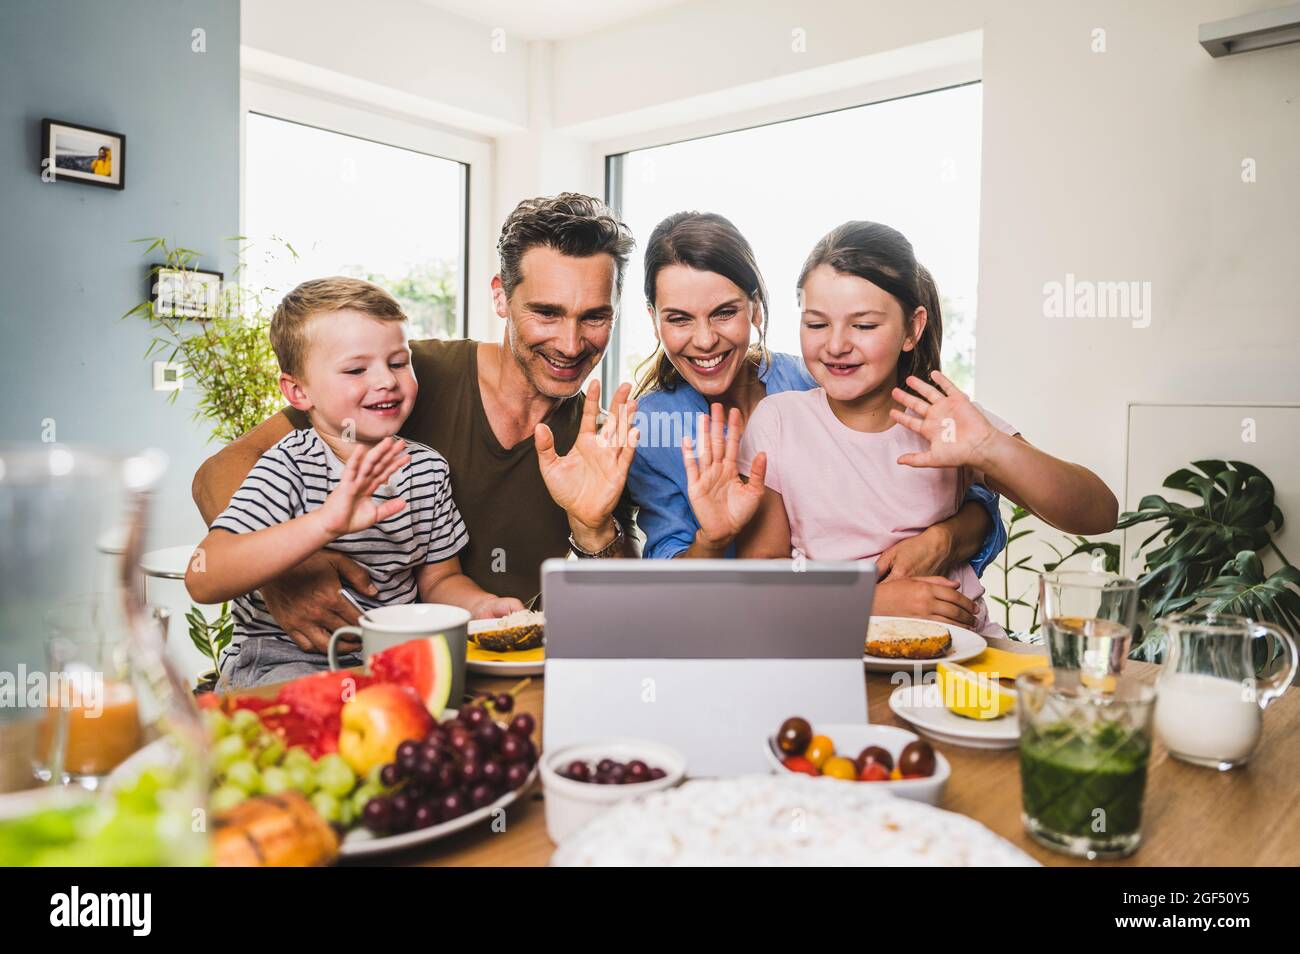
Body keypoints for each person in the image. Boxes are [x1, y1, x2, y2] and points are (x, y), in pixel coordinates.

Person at [192, 194, 641, 660]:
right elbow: (218, 474)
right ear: (500, 296)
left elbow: (624, 619)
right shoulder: (399, 379)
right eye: (547, 312)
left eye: (595, 316)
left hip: (462, 674)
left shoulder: (602, 445)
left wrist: (594, 529)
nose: (570, 344)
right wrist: (285, 571)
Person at [733, 221, 1118, 635]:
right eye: (816, 323)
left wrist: (989, 447)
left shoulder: (950, 420)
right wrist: (869, 602)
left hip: (962, 655)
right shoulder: (779, 422)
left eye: (863, 325)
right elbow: (763, 582)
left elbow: (1099, 513)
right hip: (840, 653)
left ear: (912, 329)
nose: (836, 344)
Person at [625, 211, 1004, 627]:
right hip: (745, 631)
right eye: (678, 318)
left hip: (887, 631)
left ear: (755, 308)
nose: (704, 339)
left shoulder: (820, 380)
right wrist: (711, 541)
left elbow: (965, 491)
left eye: (724, 312)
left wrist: (942, 539)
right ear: (653, 319)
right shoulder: (649, 428)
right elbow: (672, 591)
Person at [184, 278, 523, 687]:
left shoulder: (427, 469)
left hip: (386, 663)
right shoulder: (287, 466)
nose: (386, 381)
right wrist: (324, 523)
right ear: (297, 391)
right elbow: (203, 577)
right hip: (284, 662)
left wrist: (480, 606)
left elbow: (438, 579)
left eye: (399, 362)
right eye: (356, 369)